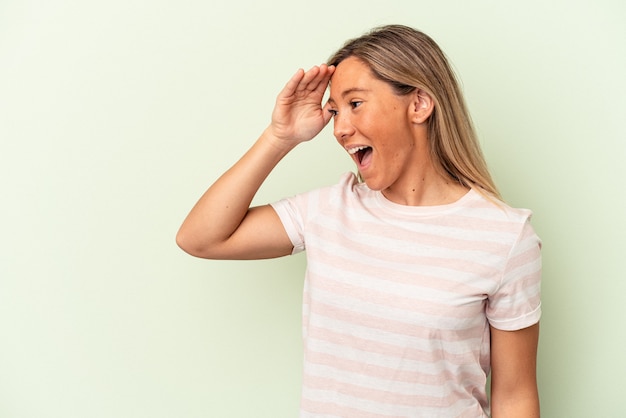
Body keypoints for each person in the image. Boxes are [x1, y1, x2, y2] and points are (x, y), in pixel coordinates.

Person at [176, 24, 541, 418]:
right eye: (334, 111)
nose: (339, 129)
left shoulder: (504, 237)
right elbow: (200, 238)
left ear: (418, 104)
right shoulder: (327, 211)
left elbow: (514, 396)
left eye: (355, 104)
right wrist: (280, 136)